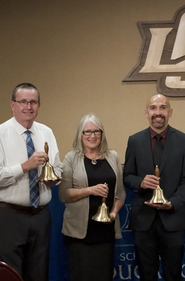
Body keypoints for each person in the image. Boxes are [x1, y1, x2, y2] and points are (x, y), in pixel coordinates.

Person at [0, 83, 62, 281]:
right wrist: (25, 166)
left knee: (39, 273)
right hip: (8, 215)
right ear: (12, 105)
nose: (28, 106)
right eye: (23, 102)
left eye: (33, 102)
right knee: (10, 275)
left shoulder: (46, 132)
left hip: (40, 215)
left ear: (39, 105)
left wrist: (52, 179)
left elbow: (57, 169)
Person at [123, 94, 185, 281]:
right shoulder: (134, 140)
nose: (158, 112)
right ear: (146, 112)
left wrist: (172, 203)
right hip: (143, 221)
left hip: (173, 219)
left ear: (170, 112)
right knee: (147, 275)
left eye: (163, 108)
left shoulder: (184, 140)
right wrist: (140, 182)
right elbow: (127, 176)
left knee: (173, 274)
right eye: (153, 108)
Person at [59, 114, 126, 281]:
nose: (92, 136)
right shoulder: (71, 158)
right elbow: (64, 194)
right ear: (80, 135)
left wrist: (114, 212)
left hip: (105, 231)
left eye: (96, 131)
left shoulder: (113, 157)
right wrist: (90, 190)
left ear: (102, 134)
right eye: (87, 131)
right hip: (79, 232)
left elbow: (121, 193)